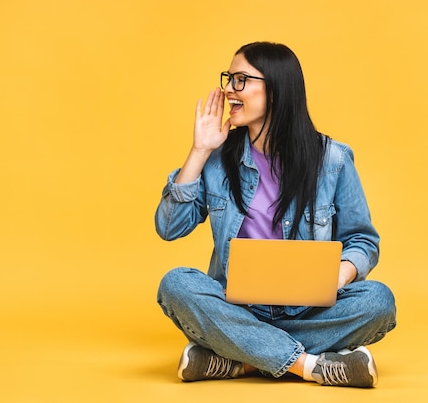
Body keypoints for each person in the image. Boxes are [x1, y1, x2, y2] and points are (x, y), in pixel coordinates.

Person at [155, 42, 396, 388]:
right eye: (229, 79)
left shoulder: (333, 159)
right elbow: (169, 226)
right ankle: (309, 365)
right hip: (236, 306)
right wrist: (199, 151)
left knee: (378, 301)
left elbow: (363, 241)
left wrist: (335, 279)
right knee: (175, 284)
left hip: (309, 311)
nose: (229, 90)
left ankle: (241, 359)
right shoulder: (218, 159)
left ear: (277, 89)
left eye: (241, 80)